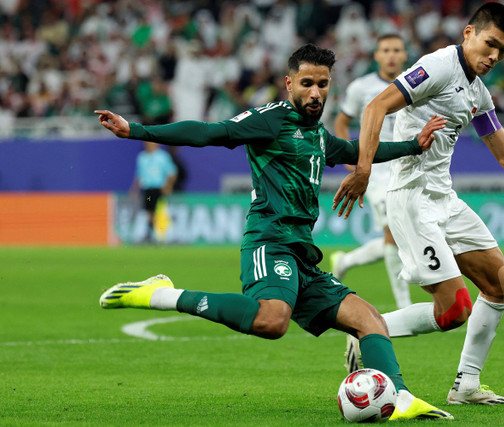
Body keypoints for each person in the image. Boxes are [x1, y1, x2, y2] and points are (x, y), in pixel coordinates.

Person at [95, 44, 452, 420]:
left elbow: (351, 149)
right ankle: (163, 295)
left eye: (323, 84)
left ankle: (401, 397)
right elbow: (209, 131)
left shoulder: (316, 134)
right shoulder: (269, 120)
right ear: (289, 83)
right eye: (307, 83)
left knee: (370, 320)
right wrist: (136, 130)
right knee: (272, 321)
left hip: (301, 253)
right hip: (269, 242)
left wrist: (413, 145)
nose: (315, 93)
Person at [333, 3, 504, 406]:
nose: (494, 56)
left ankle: (467, 386)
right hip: (413, 198)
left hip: (444, 198)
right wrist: (363, 169)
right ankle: (367, 330)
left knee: (501, 284)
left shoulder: (477, 91)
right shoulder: (439, 66)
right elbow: (376, 107)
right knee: (454, 310)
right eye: (490, 44)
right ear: (469, 33)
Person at [331, 33, 411, 312]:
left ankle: (345, 262)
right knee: (393, 234)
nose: (391, 55)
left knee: (402, 236)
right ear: (376, 55)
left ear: (404, 55)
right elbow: (341, 121)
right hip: (376, 174)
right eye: (385, 50)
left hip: (406, 169)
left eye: (396, 50)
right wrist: (350, 159)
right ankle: (403, 306)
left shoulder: (416, 83)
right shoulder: (361, 87)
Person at [131, 141, 177, 242]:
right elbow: (139, 175)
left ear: (157, 144)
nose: (149, 145)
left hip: (159, 189)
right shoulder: (142, 157)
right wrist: (135, 189)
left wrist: (168, 186)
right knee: (149, 211)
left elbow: (172, 173)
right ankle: (151, 235)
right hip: (148, 189)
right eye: (147, 143)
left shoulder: (163, 157)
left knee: (162, 211)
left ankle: (167, 235)